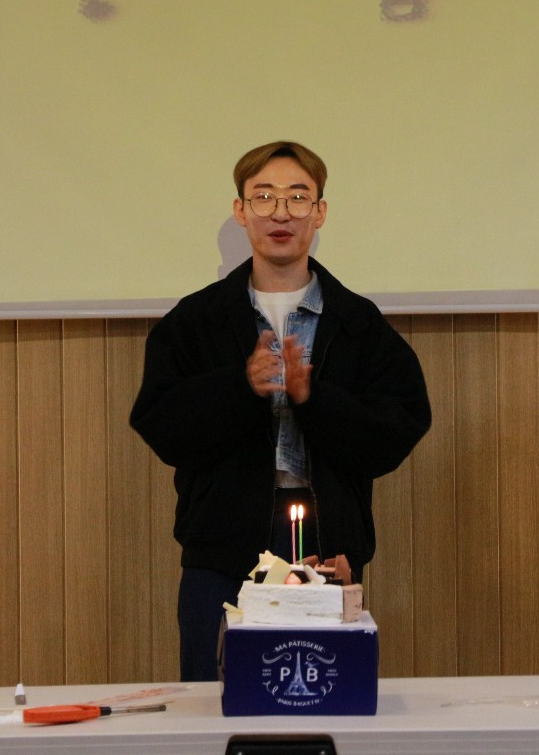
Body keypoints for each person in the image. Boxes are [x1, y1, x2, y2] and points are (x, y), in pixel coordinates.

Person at [130, 140, 432, 681]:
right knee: (213, 695)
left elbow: (397, 429)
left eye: (297, 197)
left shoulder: (357, 322)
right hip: (221, 545)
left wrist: (315, 398)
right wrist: (240, 385)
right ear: (241, 210)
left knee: (320, 690)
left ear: (320, 212)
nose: (281, 213)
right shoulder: (196, 320)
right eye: (264, 197)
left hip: (326, 543)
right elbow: (161, 425)